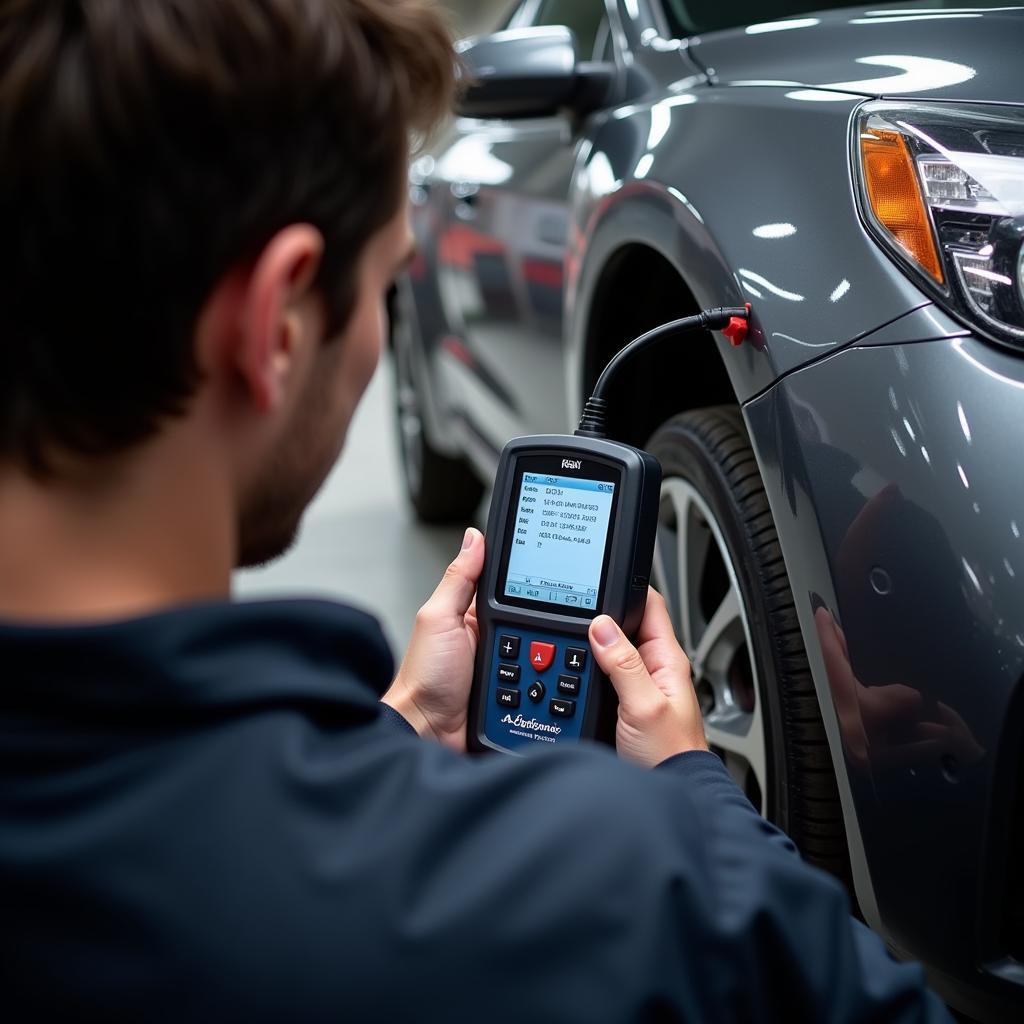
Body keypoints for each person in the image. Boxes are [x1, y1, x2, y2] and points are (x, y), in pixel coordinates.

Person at [0, 2, 952, 1021]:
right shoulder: (610, 886)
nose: (377, 336)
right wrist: (692, 791)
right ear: (277, 322)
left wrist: (400, 726)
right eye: (384, 284)